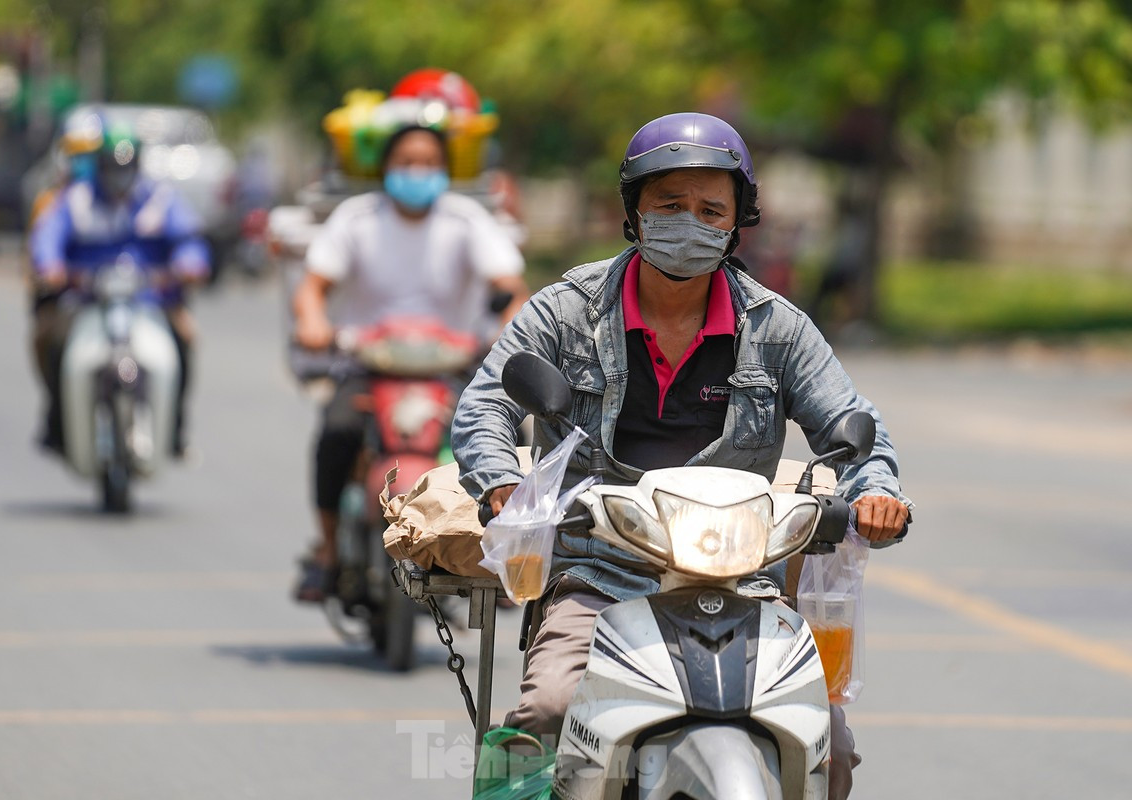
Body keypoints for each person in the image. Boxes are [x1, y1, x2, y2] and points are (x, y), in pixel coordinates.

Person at [451, 112, 912, 799]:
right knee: (547, 710)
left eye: (709, 209)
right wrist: (501, 486)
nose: (688, 222)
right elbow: (485, 405)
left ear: (736, 223)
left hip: (744, 582)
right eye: (669, 205)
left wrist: (877, 492)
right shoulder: (565, 310)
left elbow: (855, 423)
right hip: (599, 571)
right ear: (634, 212)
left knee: (830, 747)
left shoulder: (779, 328)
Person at [290, 123, 529, 603]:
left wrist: (508, 324)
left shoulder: (466, 221)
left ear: (445, 171)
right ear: (385, 169)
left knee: (510, 436)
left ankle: (512, 549)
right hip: (366, 364)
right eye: (406, 162)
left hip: (454, 366)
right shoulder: (356, 220)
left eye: (428, 163)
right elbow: (313, 286)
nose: (416, 172)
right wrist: (313, 320)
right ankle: (329, 551)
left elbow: (510, 287)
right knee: (336, 432)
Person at [28, 120, 209, 456]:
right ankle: (56, 418)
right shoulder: (77, 199)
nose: (119, 176)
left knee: (185, 337)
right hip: (86, 300)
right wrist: (50, 265)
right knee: (48, 338)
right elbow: (48, 237)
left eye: (125, 167)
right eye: (112, 167)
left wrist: (190, 264)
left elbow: (189, 240)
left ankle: (176, 428)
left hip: (150, 300)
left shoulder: (158, 199)